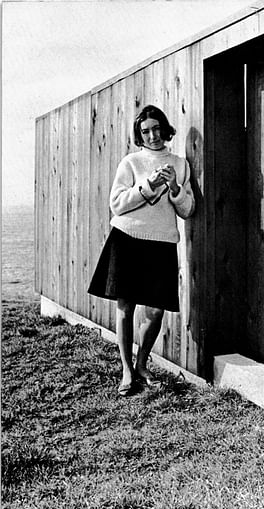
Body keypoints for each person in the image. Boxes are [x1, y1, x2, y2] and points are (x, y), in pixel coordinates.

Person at [88, 104, 195, 396]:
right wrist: (148, 185)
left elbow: (187, 210)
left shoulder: (180, 164)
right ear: (140, 134)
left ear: (166, 129)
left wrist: (174, 187)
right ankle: (126, 370)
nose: (153, 135)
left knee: (156, 310)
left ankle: (142, 363)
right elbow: (117, 204)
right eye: (146, 131)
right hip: (127, 239)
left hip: (161, 243)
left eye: (157, 128)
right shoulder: (131, 162)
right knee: (125, 308)